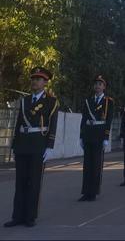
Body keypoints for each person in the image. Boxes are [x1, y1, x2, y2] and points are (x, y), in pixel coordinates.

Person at [4, 67, 59, 228]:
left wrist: (50, 146)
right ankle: (17, 216)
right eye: (33, 79)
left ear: (45, 82)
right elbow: (19, 123)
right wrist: (14, 145)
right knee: (20, 182)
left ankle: (30, 216)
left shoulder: (51, 101)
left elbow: (52, 125)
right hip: (23, 144)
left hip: (38, 145)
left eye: (38, 79)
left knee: (34, 182)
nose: (35, 81)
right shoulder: (25, 101)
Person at [79, 75, 114, 201]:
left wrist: (106, 137)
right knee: (87, 165)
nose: (97, 86)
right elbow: (83, 120)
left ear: (104, 87)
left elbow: (108, 120)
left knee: (96, 164)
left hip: (99, 135)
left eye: (100, 84)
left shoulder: (108, 102)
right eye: (96, 84)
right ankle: (85, 191)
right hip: (88, 134)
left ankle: (93, 191)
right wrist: (81, 136)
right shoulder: (88, 101)